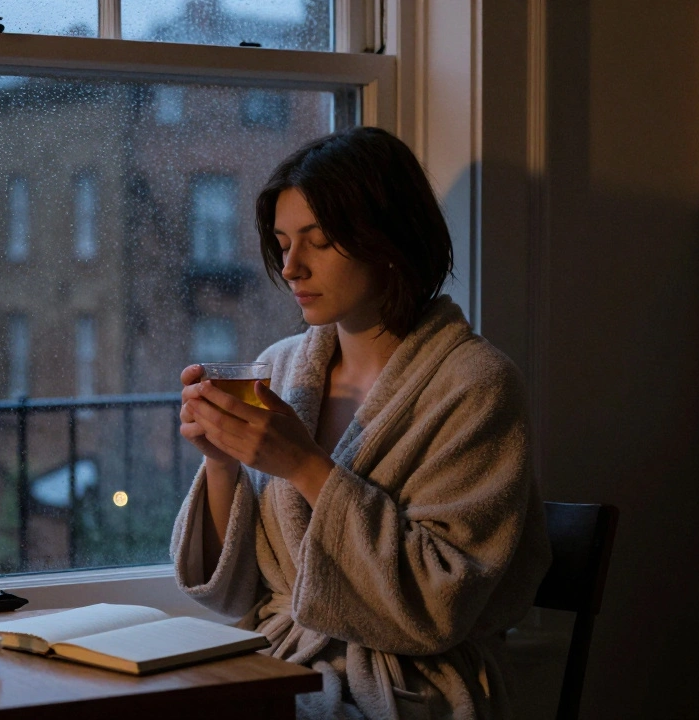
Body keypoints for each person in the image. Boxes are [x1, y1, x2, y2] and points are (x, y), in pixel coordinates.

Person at [171, 126, 551, 720]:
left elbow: (437, 606)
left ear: (388, 239)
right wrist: (220, 459)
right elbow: (233, 593)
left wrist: (301, 464)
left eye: (316, 242)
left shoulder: (476, 387)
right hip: (282, 664)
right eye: (281, 243)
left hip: (405, 689)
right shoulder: (279, 368)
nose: (291, 266)